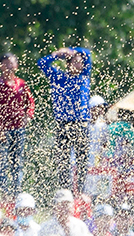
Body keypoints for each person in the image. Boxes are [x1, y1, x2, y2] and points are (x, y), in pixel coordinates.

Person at [38, 46, 93, 190]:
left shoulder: (84, 77)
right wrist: (57, 55)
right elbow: (41, 63)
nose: (79, 65)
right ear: (68, 64)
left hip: (81, 123)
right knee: (62, 160)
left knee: (82, 160)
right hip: (63, 124)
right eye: (75, 62)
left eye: (81, 62)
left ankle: (81, 190)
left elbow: (88, 54)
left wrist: (73, 50)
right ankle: (65, 190)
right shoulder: (58, 77)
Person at [0, 54, 35, 197]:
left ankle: (16, 192)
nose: (9, 66)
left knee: (17, 161)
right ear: (1, 66)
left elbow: (30, 102)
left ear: (16, 66)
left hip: (19, 128)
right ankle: (4, 192)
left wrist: (28, 115)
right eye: (6, 63)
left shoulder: (21, 84)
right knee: (3, 162)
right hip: (4, 130)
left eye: (12, 63)